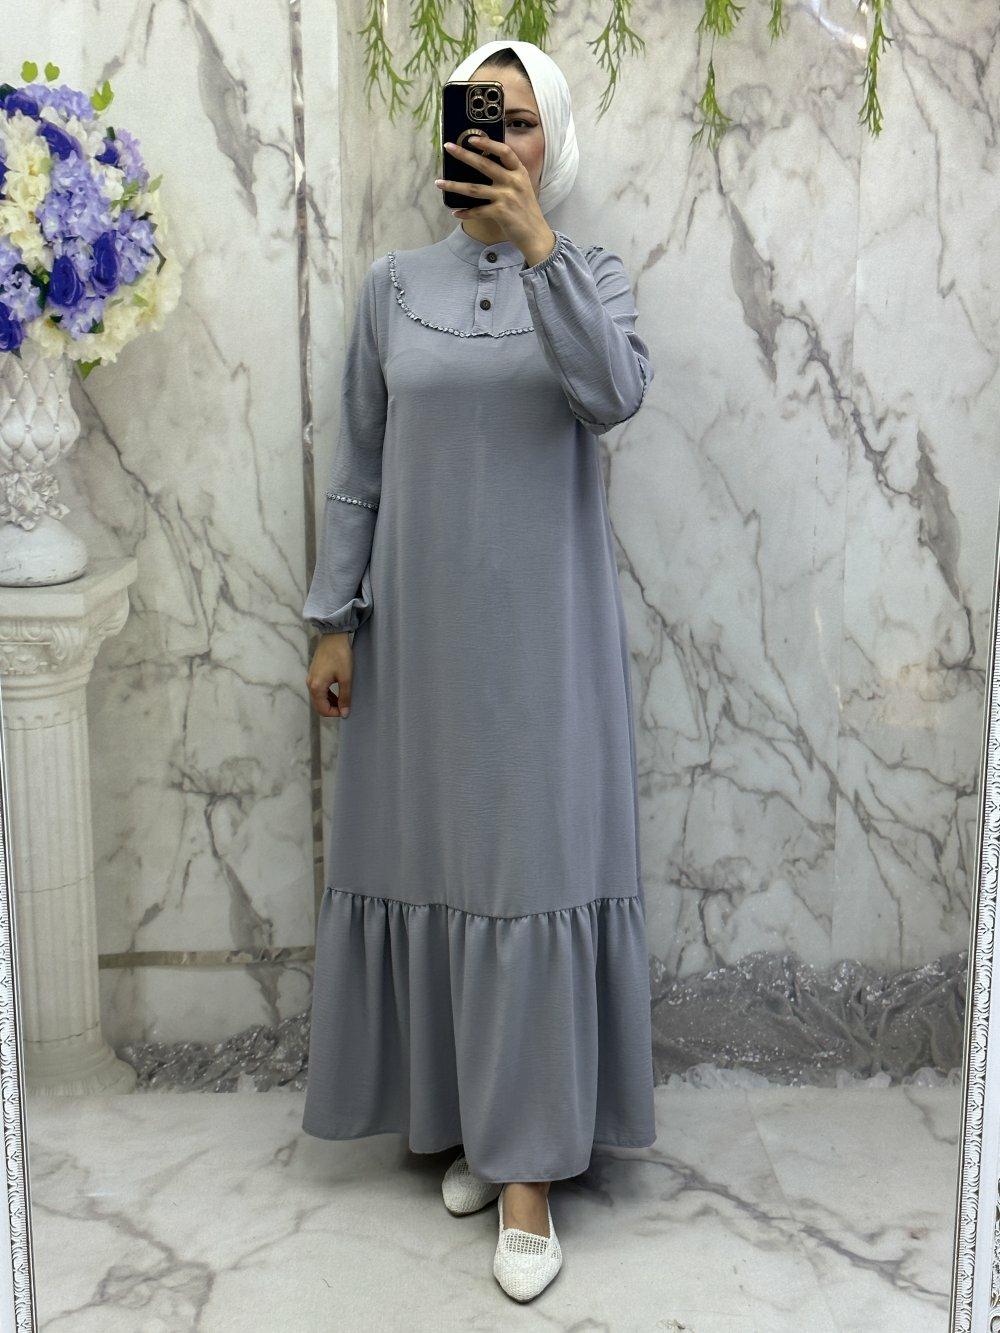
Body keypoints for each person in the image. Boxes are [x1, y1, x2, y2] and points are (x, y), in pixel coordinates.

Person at [301, 38, 656, 1302]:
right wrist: (333, 618)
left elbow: (612, 396)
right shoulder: (393, 286)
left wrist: (539, 245)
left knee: (529, 876)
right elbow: (358, 462)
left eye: (519, 118)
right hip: (419, 644)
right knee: (444, 870)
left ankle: (527, 1176)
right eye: (477, 113)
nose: (496, 135)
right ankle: (470, 1121)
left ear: (550, 140)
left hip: (545, 646)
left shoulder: (592, 276)